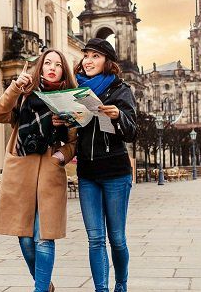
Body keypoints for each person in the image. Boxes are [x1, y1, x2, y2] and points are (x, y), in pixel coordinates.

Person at [0, 49, 77, 292]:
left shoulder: (69, 100)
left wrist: (61, 155)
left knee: (44, 237)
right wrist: (15, 88)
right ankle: (45, 285)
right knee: (26, 239)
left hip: (50, 173)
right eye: (47, 63)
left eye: (58, 64)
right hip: (21, 170)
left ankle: (40, 290)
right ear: (40, 66)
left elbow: (73, 143)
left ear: (63, 71)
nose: (52, 67)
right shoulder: (25, 94)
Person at [72, 38, 137, 292]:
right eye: (86, 55)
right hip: (87, 173)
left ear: (107, 62)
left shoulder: (121, 90)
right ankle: (101, 290)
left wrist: (118, 116)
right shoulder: (76, 89)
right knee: (95, 239)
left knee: (117, 239)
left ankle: (121, 284)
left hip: (115, 173)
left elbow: (132, 132)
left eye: (95, 56)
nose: (88, 60)